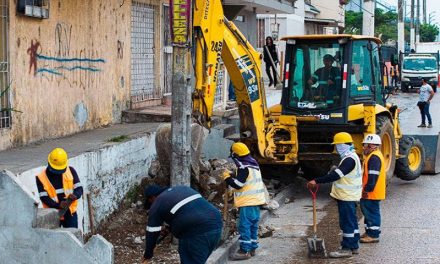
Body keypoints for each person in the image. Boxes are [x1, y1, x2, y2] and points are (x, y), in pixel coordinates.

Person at [307, 132, 362, 258]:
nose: (336, 149)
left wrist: (316, 181)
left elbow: (336, 176)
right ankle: (354, 246)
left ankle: (346, 249)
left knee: (347, 223)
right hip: (349, 196)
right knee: (352, 222)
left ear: (342, 145)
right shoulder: (352, 157)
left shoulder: (349, 160)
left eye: (337, 146)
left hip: (347, 196)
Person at [141, 185, 223, 264]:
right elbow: (189, 210)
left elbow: (152, 232)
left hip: (195, 232)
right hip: (216, 226)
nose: (151, 206)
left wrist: (148, 254)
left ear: (151, 198)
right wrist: (170, 227)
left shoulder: (157, 203)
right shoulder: (181, 189)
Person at [222, 142, 266, 260]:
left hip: (247, 203)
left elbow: (238, 184)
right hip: (256, 201)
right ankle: (252, 248)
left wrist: (227, 178)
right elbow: (247, 180)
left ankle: (244, 251)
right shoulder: (253, 163)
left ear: (236, 155)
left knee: (244, 226)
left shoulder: (243, 167)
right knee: (253, 226)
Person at [36, 148, 83, 228]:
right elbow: (44, 198)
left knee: (72, 238)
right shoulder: (41, 178)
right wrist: (58, 205)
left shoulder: (71, 171)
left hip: (70, 213)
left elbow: (79, 189)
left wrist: (75, 195)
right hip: (52, 215)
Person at [360, 134, 386, 243]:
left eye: (365, 145)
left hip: (371, 192)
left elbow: (373, 176)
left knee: (372, 212)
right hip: (371, 191)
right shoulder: (374, 156)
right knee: (368, 212)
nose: (363, 147)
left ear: (372, 146)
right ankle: (369, 232)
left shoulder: (374, 158)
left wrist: (367, 190)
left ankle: (373, 235)